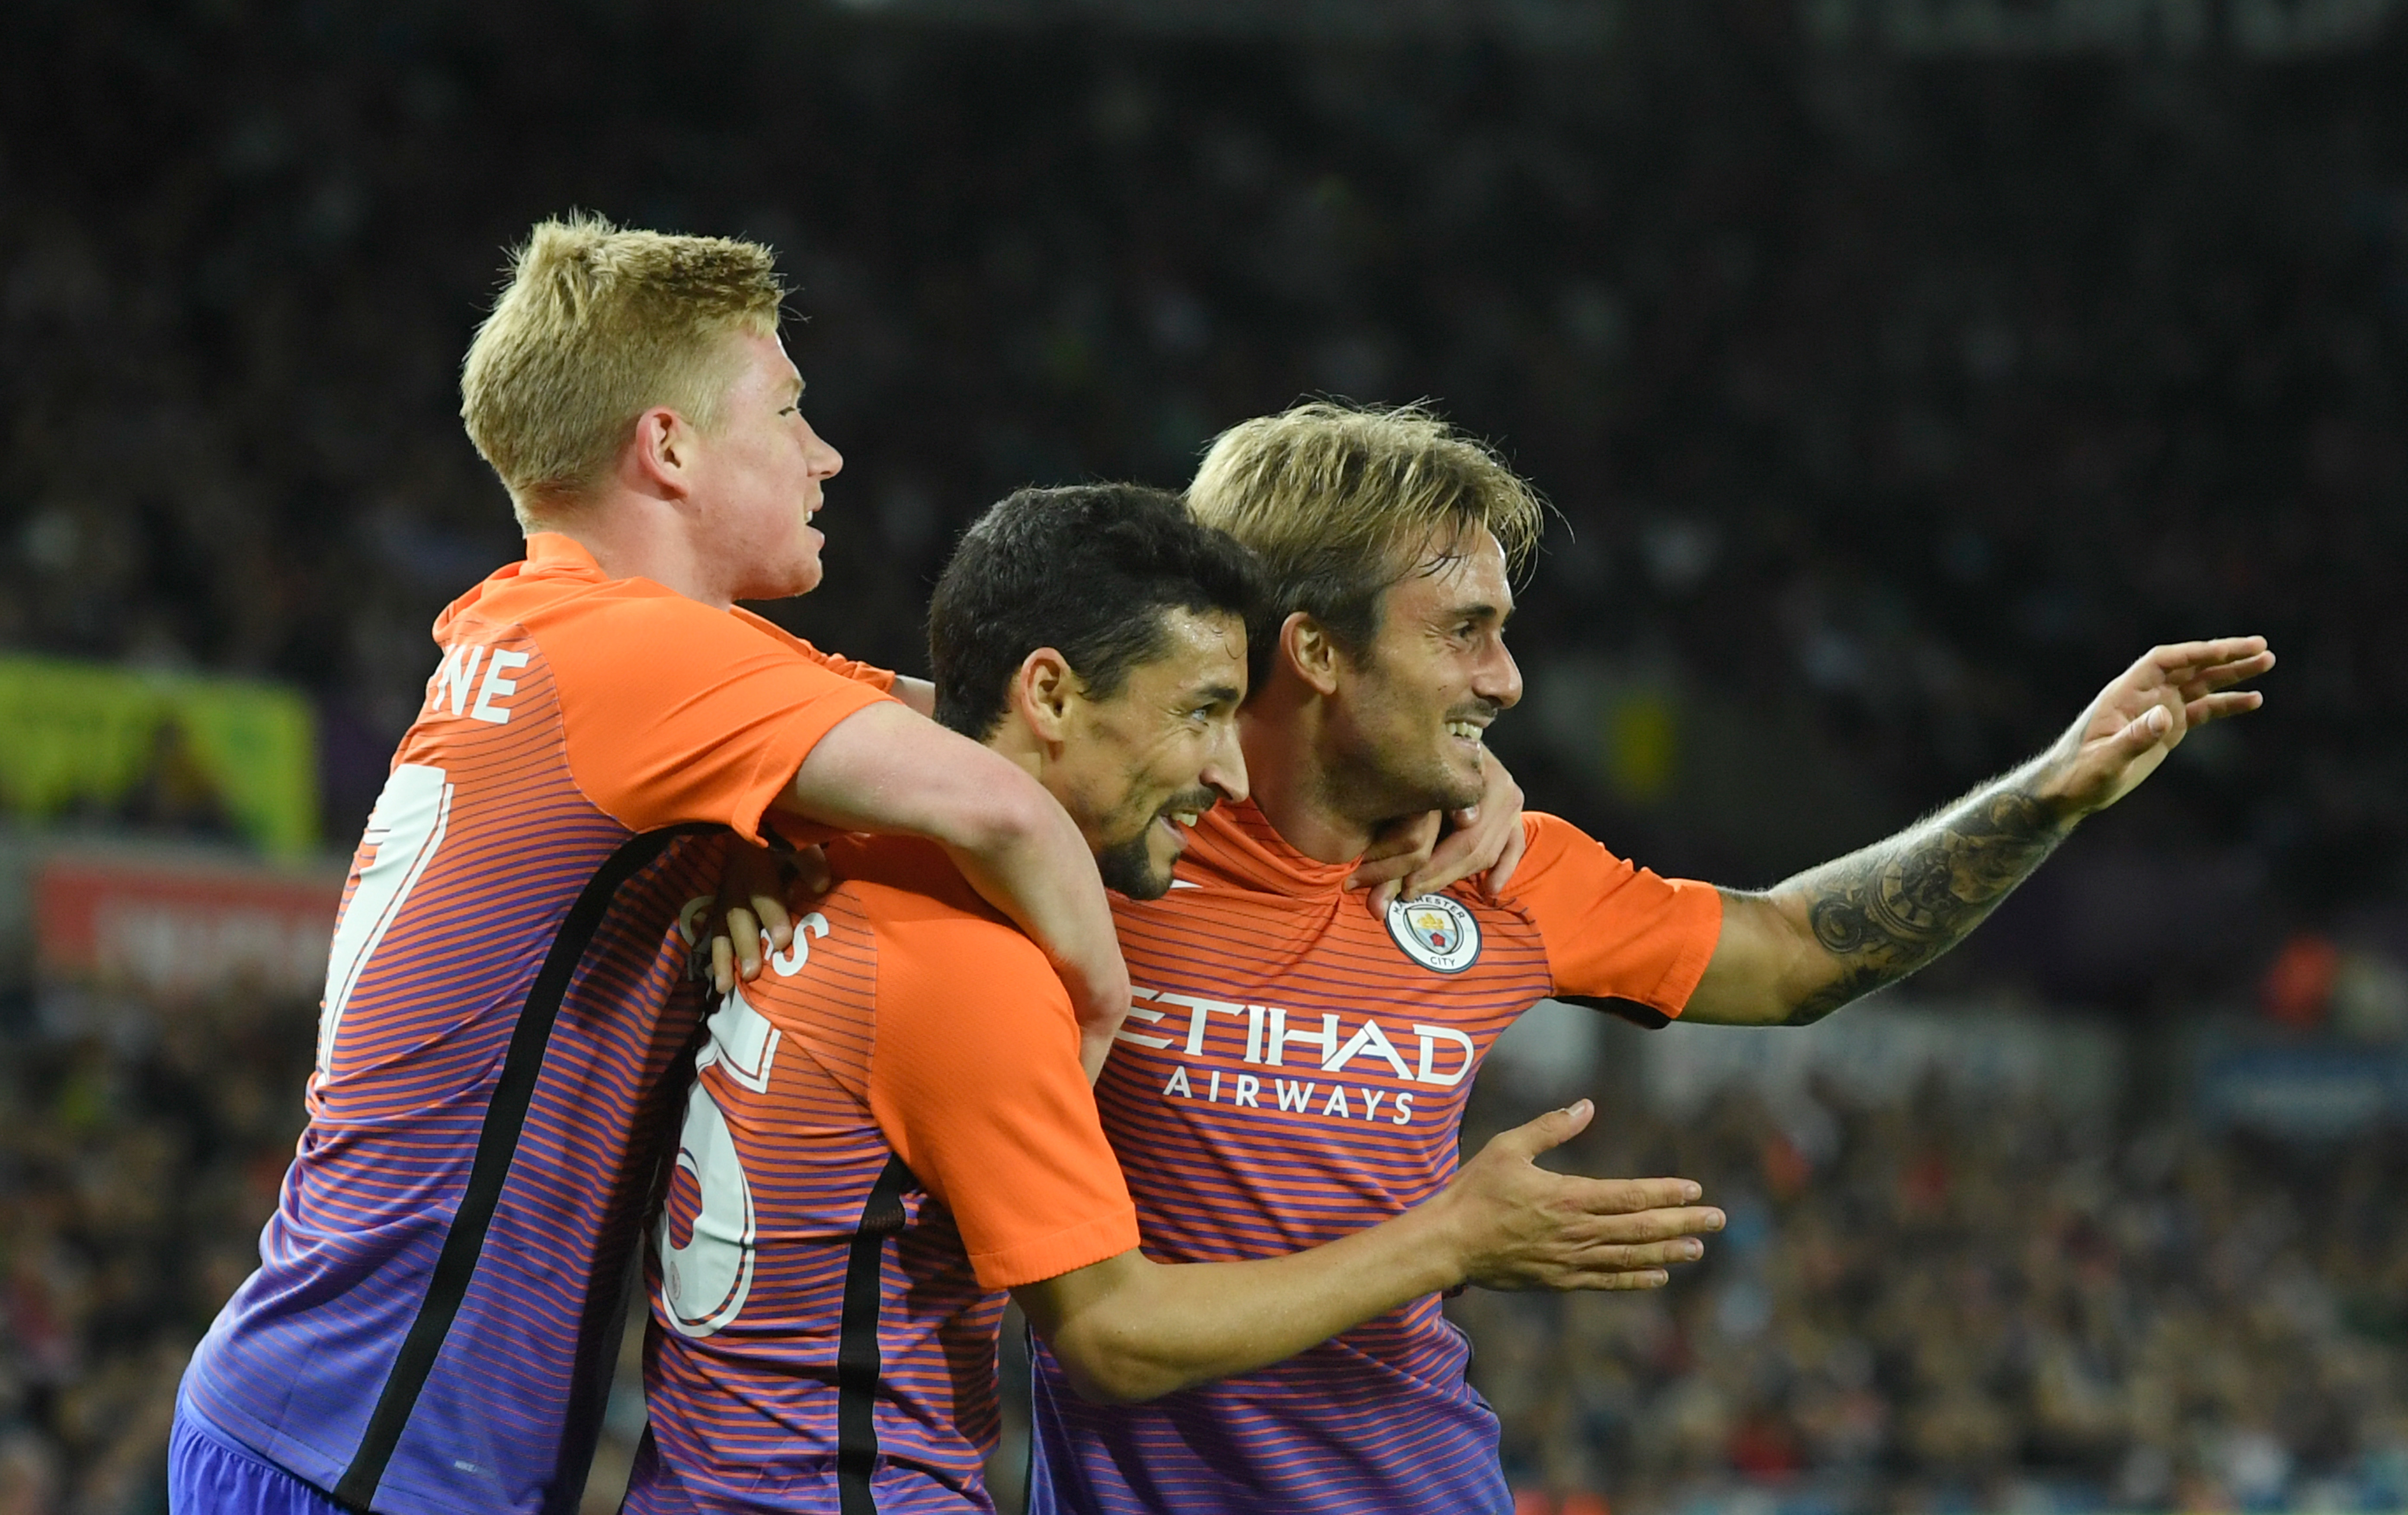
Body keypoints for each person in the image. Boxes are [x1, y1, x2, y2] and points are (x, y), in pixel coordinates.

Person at [1027, 401, 2275, 1515]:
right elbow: (884, 718)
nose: (1506, 679)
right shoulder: (1078, 844)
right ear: (1313, 651)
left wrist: (2047, 793)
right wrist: (1454, 1237)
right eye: (1465, 631)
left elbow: (1794, 952)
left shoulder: (1508, 868)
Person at [169, 215, 1128, 1515]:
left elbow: (1025, 731)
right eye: (787, 411)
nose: (826, 453)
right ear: (668, 445)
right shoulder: (644, 662)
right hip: (367, 1450)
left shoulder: (543, 624)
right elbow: (1019, 799)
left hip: (325, 1412)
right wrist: (1098, 1007)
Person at [632, 484, 1724, 1515]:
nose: (1231, 772)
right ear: (1051, 693)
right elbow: (1112, 1334)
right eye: (1203, 712)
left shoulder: (858, 857)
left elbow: (808, 686)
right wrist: (1451, 1237)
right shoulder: (973, 970)